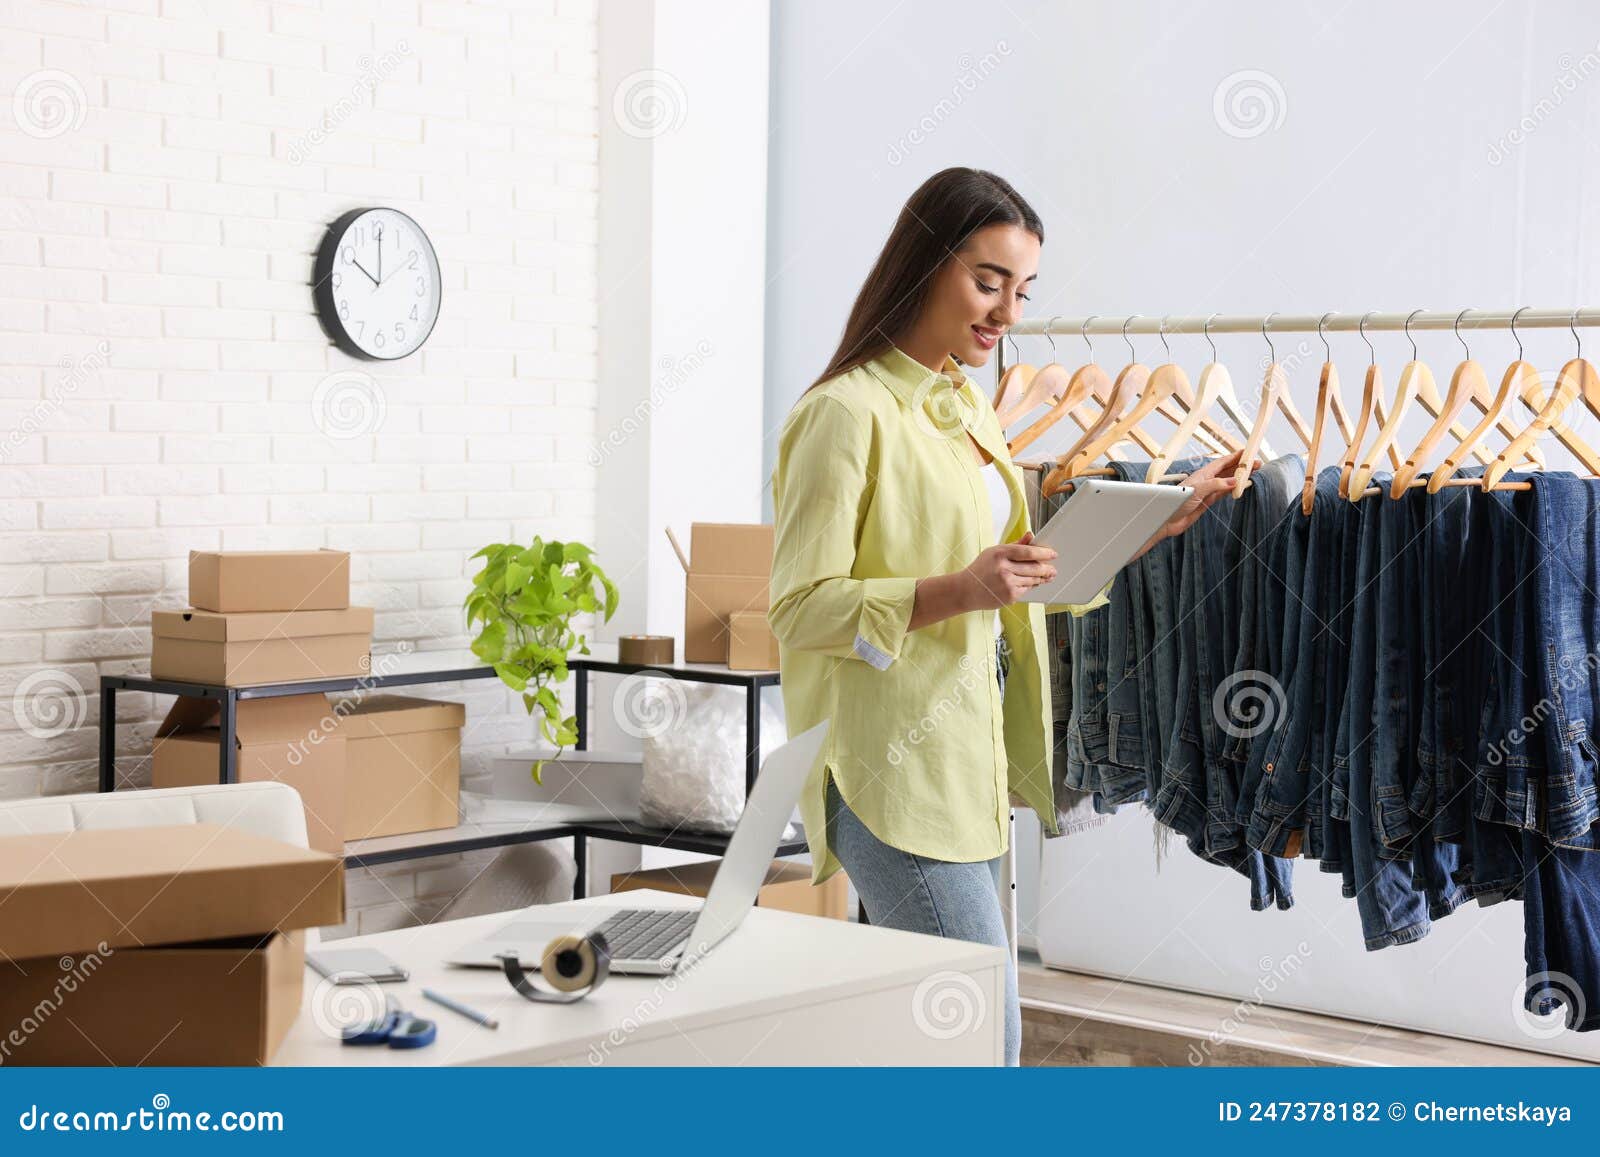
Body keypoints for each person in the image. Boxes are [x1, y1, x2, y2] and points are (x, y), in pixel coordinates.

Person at [767, 167, 1248, 1066]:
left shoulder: (966, 411)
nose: (1007, 312)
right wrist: (960, 588)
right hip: (887, 770)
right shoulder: (843, 414)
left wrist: (1151, 525)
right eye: (988, 282)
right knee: (983, 1037)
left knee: (932, 1042)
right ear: (922, 264)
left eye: (1022, 290)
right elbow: (797, 609)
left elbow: (1019, 582)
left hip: (969, 761)